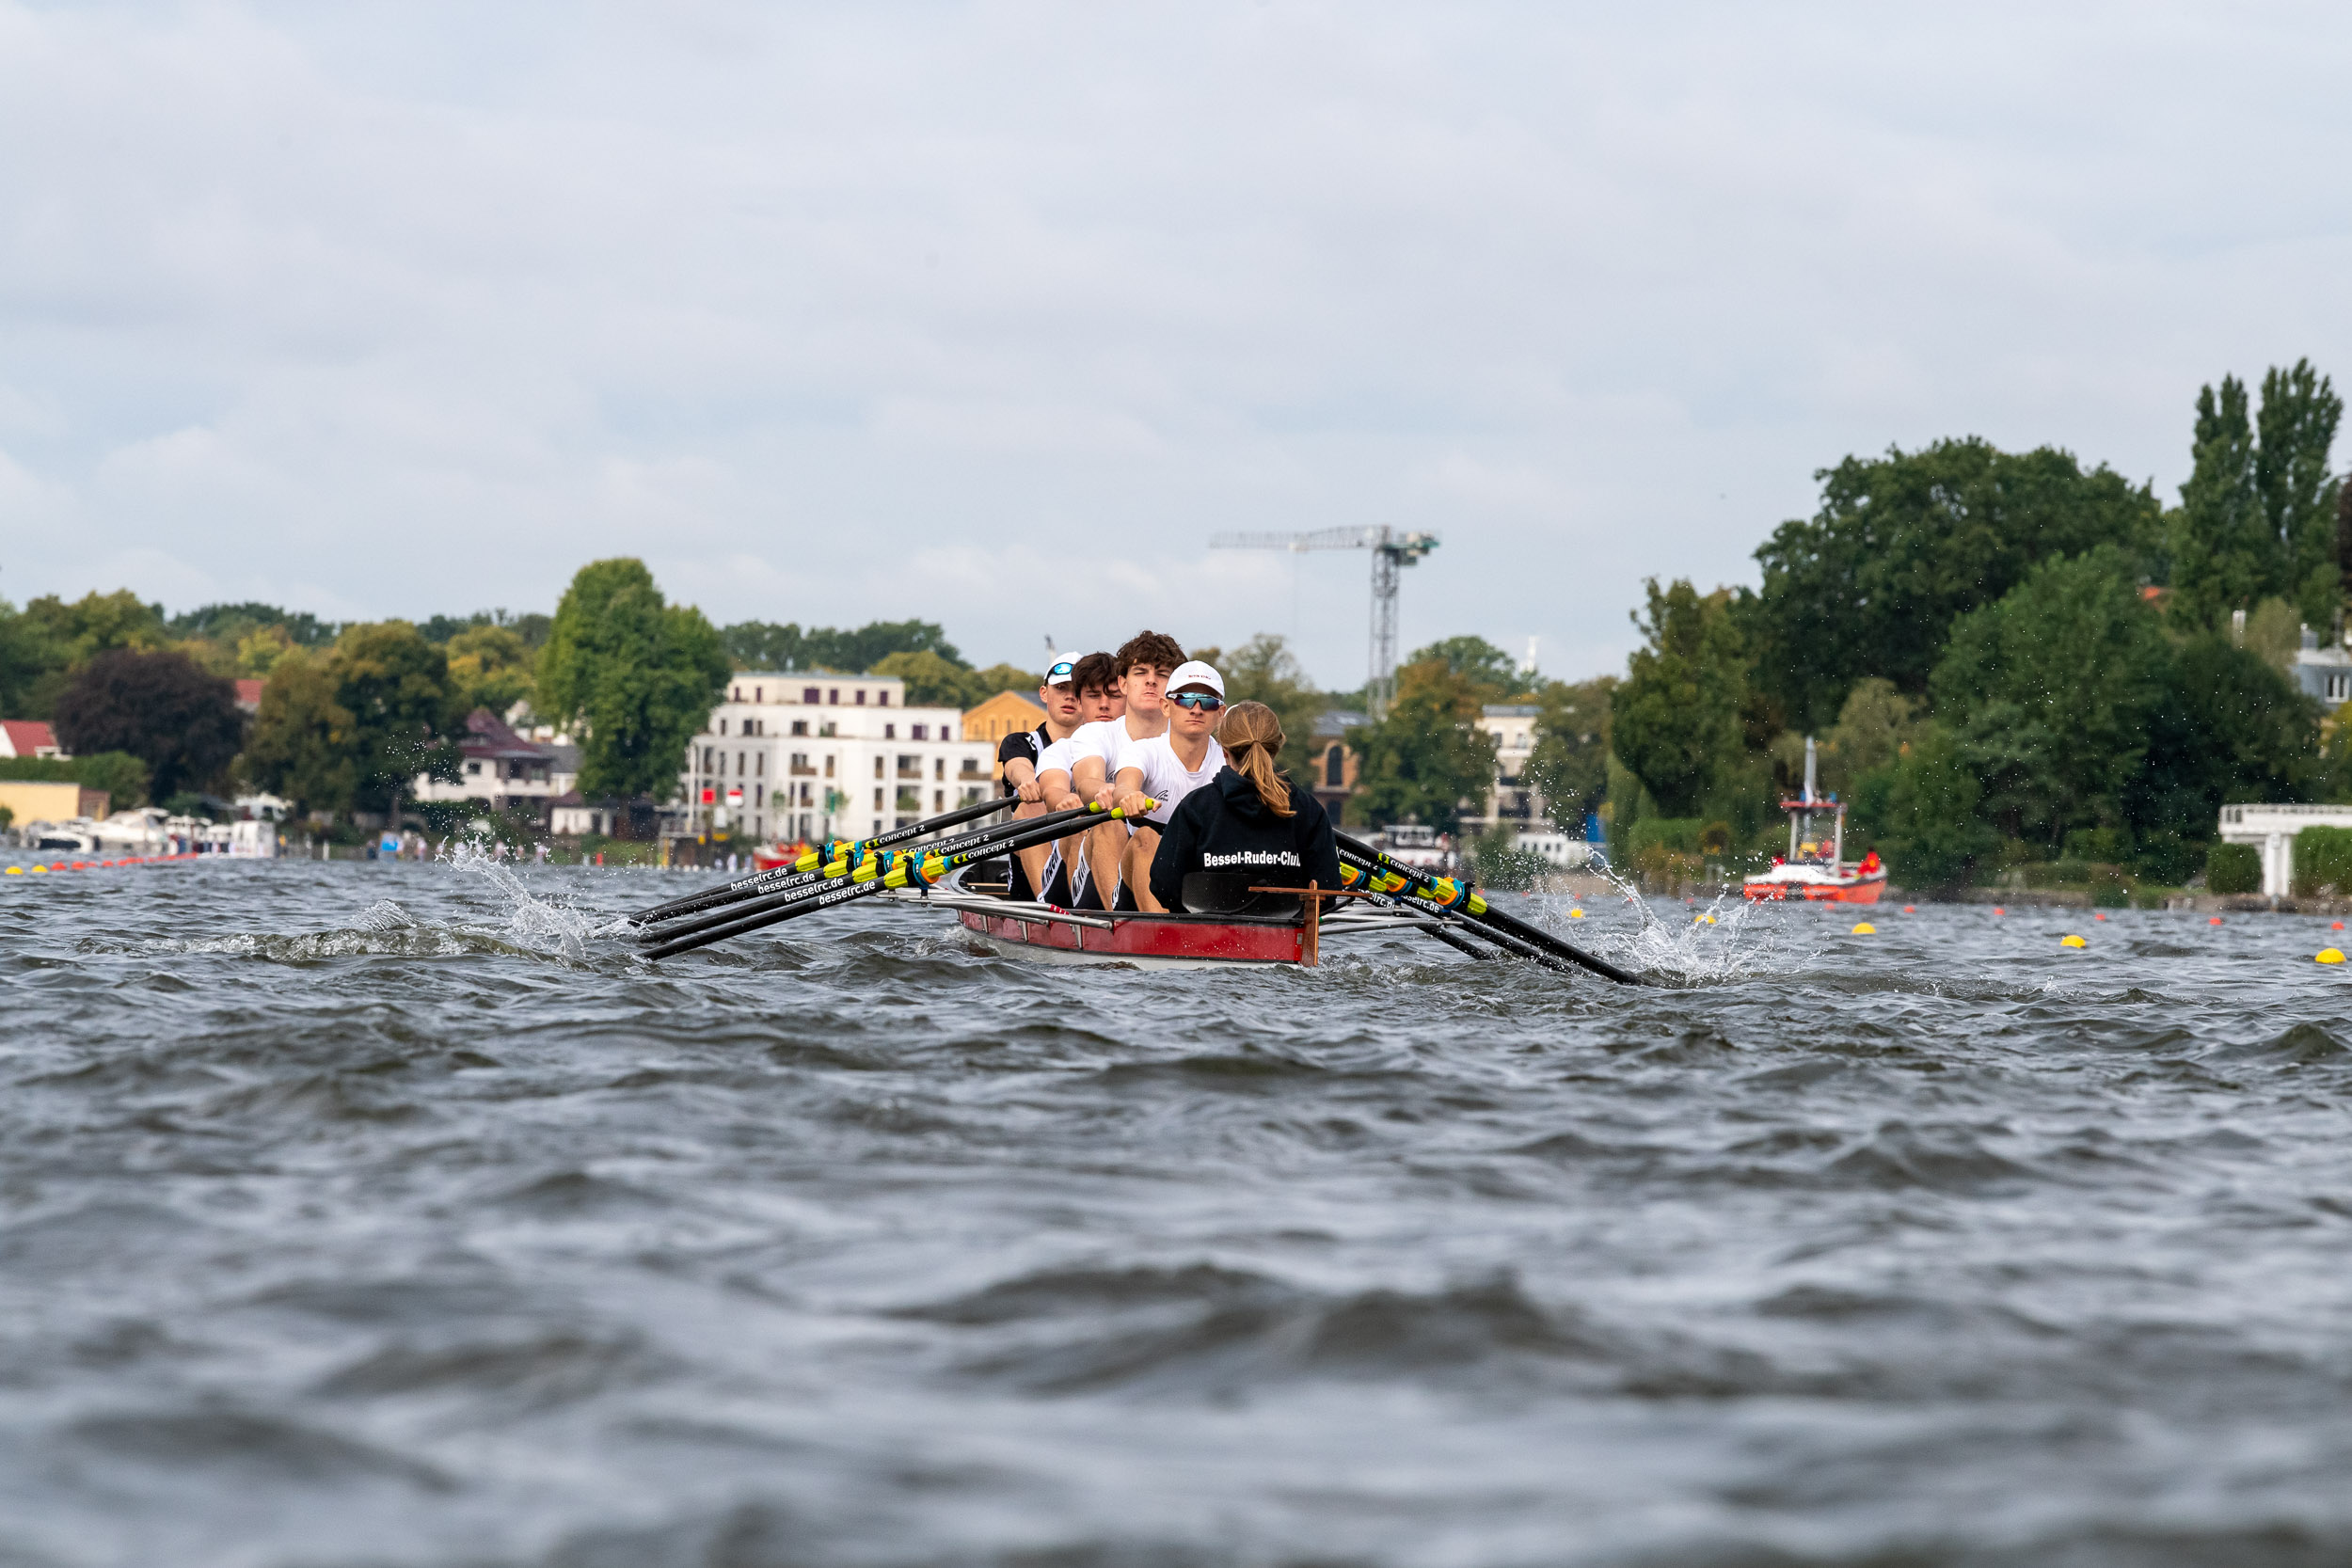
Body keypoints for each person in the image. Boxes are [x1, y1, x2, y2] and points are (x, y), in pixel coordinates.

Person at [1150, 700, 1341, 914]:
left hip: (1206, 938)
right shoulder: (1308, 810)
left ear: (1224, 750)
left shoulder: (1195, 807)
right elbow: (1328, 892)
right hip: (1284, 938)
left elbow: (1163, 886)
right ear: (1277, 747)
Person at [1040, 630, 1184, 908]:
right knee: (1108, 827)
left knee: (1148, 840)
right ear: (1124, 684)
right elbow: (1086, 782)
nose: (1152, 680)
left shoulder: (1195, 742)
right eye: (1140, 672)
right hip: (1095, 864)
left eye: (1163, 674)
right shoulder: (1096, 734)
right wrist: (1108, 791)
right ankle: (1118, 924)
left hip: (1155, 858)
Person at [1108, 660, 1228, 911]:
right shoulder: (1143, 751)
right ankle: (1161, 934)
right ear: (1166, 707)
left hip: (1200, 878)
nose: (1196, 709)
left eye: (1207, 701)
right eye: (1185, 699)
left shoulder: (1228, 763)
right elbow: (1124, 786)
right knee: (1146, 837)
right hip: (1135, 880)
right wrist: (1130, 797)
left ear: (1221, 713)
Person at [1027, 651, 1123, 906]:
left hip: (1114, 856)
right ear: (1079, 703)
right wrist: (1065, 800)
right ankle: (1072, 917)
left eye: (1114, 695)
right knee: (1074, 819)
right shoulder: (1060, 750)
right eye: (1093, 696)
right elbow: (1052, 791)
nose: (1104, 704)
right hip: (1064, 871)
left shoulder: (1140, 748)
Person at [996, 657, 1086, 900]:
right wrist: (1028, 782)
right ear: (1044, 693)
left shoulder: (1103, 747)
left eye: (1077, 690)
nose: (1069, 697)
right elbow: (1017, 766)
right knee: (1031, 807)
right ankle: (1046, 903)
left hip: (1083, 857)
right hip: (1028, 877)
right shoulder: (1021, 742)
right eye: (1061, 689)